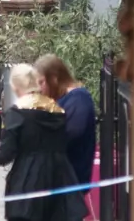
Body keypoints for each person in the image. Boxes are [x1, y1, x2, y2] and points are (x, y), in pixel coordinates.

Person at [0, 64, 88, 221]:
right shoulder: (57, 110)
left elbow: (5, 155)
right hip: (60, 177)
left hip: (28, 178)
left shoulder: (17, 113)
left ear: (15, 86)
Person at [34, 54, 96, 189]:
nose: (40, 88)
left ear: (54, 78)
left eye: (42, 82)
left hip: (69, 184)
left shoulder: (78, 99)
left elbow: (69, 134)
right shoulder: (63, 100)